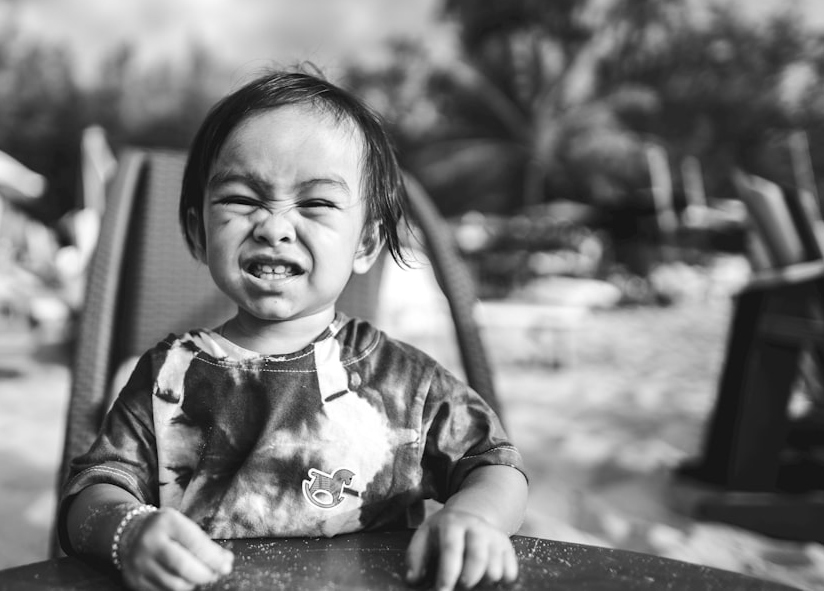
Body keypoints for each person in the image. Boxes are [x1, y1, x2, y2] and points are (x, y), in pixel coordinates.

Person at [58, 69, 528, 591]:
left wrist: (475, 519)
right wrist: (128, 530)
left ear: (367, 243)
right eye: (241, 199)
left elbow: (495, 465)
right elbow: (89, 495)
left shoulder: (405, 383)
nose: (275, 226)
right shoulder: (168, 378)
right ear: (198, 230)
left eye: (316, 203)